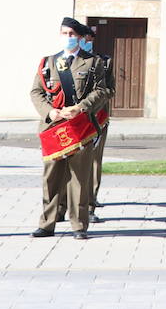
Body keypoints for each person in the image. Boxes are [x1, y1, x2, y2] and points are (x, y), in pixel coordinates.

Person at [30, 17, 112, 240]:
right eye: (65, 34)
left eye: (73, 35)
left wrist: (81, 107)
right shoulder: (48, 62)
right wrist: (50, 112)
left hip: (80, 126)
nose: (68, 38)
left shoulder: (92, 63)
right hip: (54, 127)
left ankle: (78, 225)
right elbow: (36, 92)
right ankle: (47, 223)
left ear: (80, 37)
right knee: (51, 178)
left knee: (79, 177)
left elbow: (102, 91)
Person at [81, 26, 113, 224]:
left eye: (87, 38)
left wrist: (92, 101)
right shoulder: (61, 61)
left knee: (93, 161)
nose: (83, 41)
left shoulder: (104, 61)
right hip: (71, 119)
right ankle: (61, 207)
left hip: (97, 116)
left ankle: (90, 204)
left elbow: (109, 89)